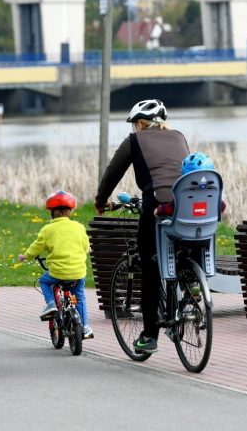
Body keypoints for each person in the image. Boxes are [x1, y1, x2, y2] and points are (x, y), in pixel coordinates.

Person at [95, 99, 189, 354]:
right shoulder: (179, 136)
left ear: (139, 123)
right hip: (186, 207)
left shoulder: (134, 140)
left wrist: (101, 200)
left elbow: (113, 172)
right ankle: (191, 288)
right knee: (181, 249)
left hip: (156, 206)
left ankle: (149, 336)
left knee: (150, 265)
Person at [17, 191, 93, 339]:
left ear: (52, 212)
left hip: (57, 272)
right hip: (78, 273)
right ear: (70, 211)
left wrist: (26, 256)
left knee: (44, 281)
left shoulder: (47, 230)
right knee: (80, 297)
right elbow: (86, 247)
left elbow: (36, 247)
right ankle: (85, 327)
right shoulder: (79, 227)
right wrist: (88, 250)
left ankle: (51, 303)